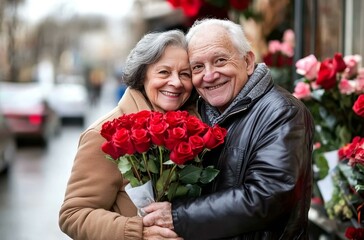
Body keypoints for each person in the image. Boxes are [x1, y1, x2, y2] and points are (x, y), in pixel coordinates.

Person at [142, 18, 315, 239]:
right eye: (197, 67)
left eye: (220, 60)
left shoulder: (282, 111)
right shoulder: (196, 110)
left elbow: (268, 196)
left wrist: (178, 216)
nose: (209, 75)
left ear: (248, 61)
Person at [59, 29, 197, 240]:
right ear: (142, 76)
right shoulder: (105, 135)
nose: (176, 82)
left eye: (185, 74)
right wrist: (139, 232)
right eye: (164, 72)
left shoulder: (197, 128)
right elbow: (73, 215)